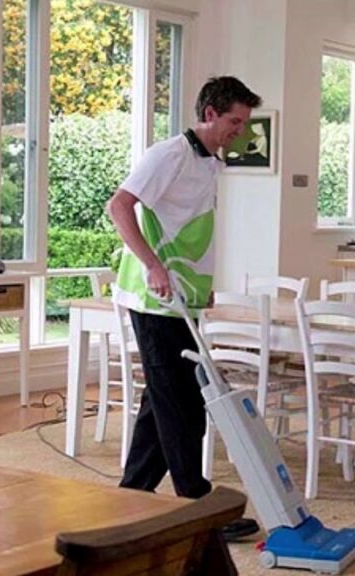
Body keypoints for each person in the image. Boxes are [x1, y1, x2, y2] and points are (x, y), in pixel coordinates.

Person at [107, 76, 262, 540]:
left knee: (162, 400)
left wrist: (201, 285)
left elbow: (189, 229)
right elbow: (119, 206)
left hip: (183, 298)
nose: (240, 130)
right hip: (156, 300)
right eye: (235, 121)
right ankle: (196, 504)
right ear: (210, 114)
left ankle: (130, 494)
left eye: (245, 122)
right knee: (185, 404)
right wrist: (153, 267)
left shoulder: (210, 163)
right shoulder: (168, 154)